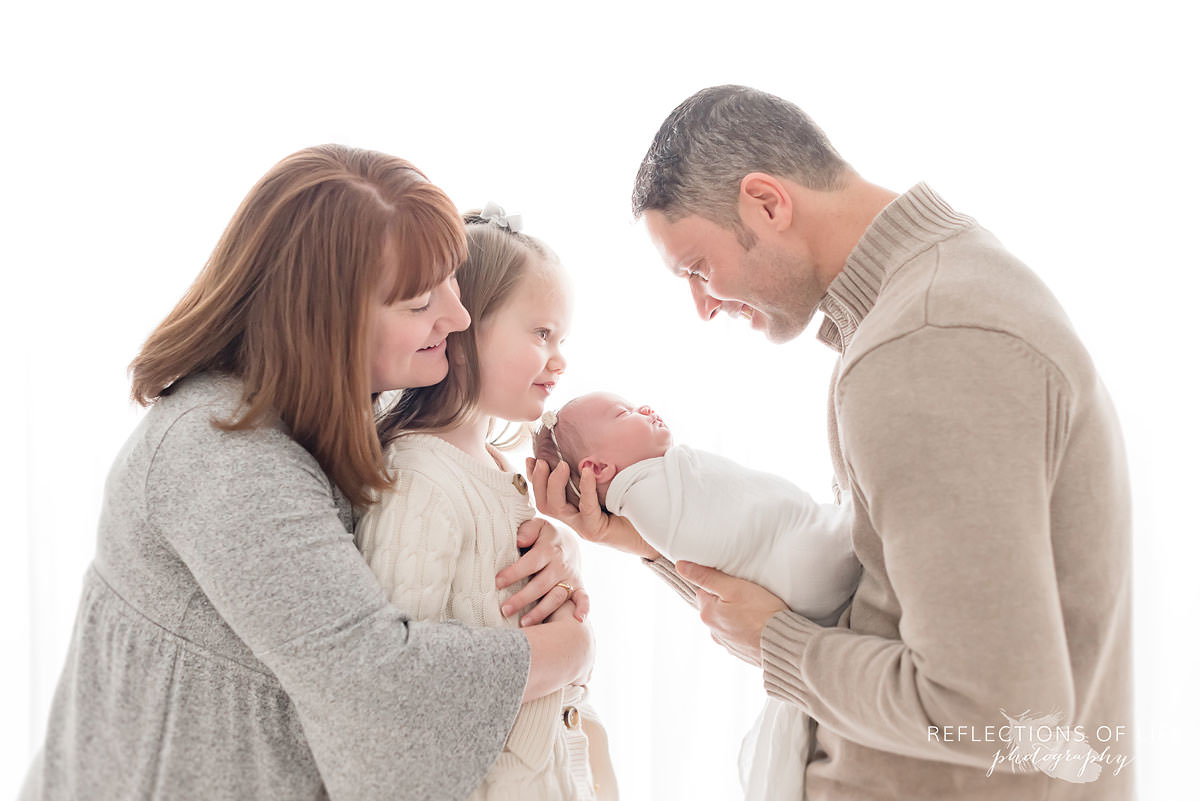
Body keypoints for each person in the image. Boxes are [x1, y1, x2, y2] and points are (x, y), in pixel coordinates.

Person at [530, 85, 1134, 799]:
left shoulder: (926, 341)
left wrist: (779, 647)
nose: (703, 306)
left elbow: (1000, 713)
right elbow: (869, 605)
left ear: (767, 203)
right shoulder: (936, 299)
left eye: (697, 268)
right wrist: (641, 537)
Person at [21, 146, 593, 801]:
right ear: (330, 317)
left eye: (451, 281)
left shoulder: (337, 413)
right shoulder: (221, 456)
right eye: (416, 302)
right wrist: (570, 649)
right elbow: (383, 695)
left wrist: (538, 548)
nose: (457, 318)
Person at [356, 206, 616, 801]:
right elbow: (405, 688)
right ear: (466, 330)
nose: (559, 359)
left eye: (563, 338)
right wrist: (573, 651)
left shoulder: (502, 472)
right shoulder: (419, 478)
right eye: (540, 333)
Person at [534, 390, 860, 800]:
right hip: (815, 572)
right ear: (596, 467)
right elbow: (706, 544)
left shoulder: (660, 485)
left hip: (822, 573)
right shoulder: (647, 497)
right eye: (625, 413)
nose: (646, 408)